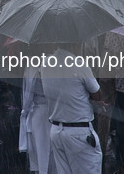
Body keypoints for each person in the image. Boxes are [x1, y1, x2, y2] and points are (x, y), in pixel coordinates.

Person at [41, 43, 104, 174]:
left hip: (56, 131)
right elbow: (97, 94)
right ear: (77, 42)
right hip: (79, 133)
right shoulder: (79, 64)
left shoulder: (45, 63)